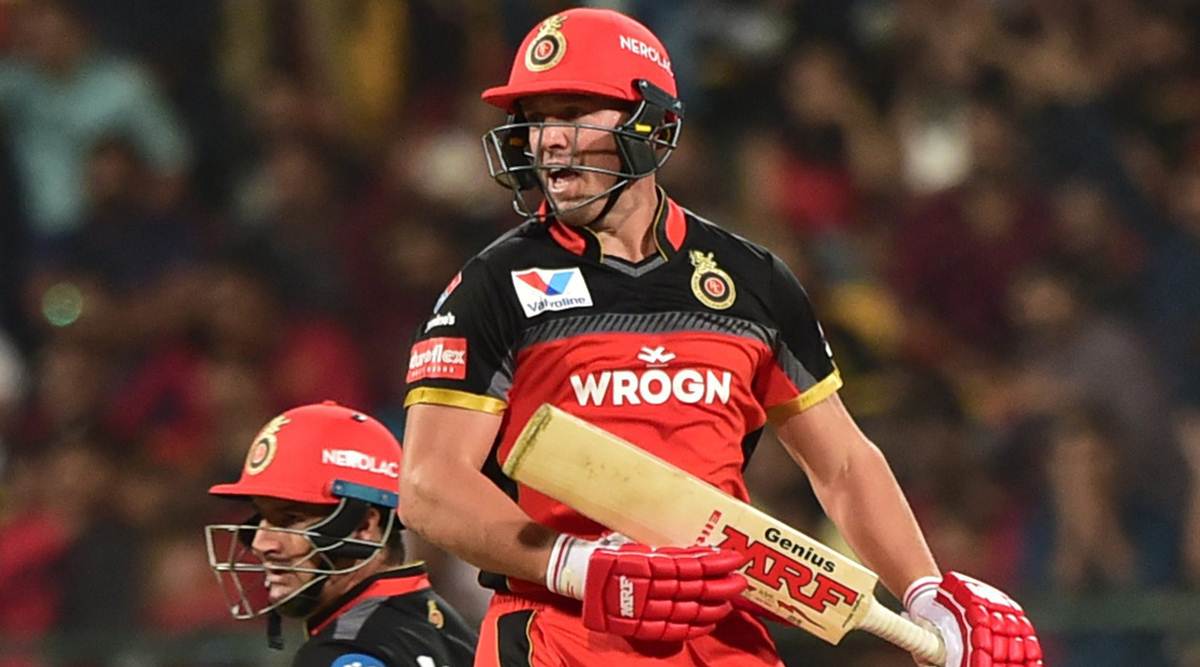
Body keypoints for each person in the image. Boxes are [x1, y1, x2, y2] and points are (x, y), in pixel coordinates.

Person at [400, 8, 1042, 667]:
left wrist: (925, 591)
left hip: (724, 635)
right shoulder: (493, 284)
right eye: (537, 118)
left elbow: (843, 463)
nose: (550, 141)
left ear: (652, 124)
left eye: (575, 112)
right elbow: (427, 485)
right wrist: (578, 565)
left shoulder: (752, 279)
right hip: (561, 633)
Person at [205, 401, 476, 666]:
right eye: (260, 518)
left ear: (363, 526)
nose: (260, 543)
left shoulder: (342, 650)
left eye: (290, 520)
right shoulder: (450, 630)